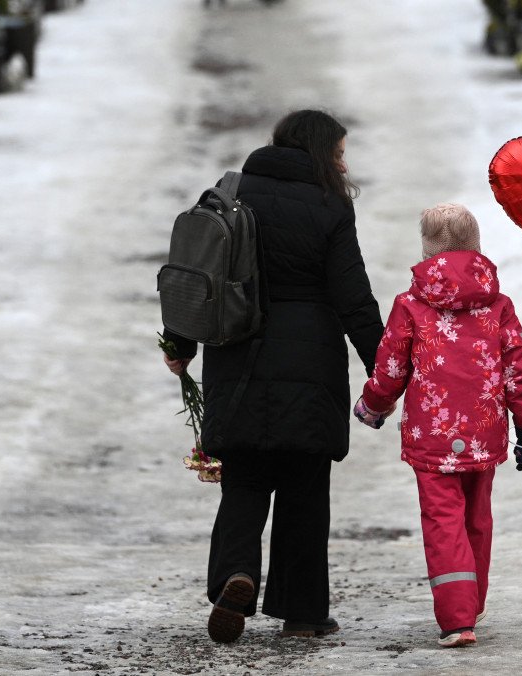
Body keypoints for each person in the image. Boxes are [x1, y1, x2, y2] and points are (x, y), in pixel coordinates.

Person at [162, 110, 384, 643]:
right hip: (310, 369)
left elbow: (198, 275)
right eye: (338, 153)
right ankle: (304, 613)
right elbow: (353, 298)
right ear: (316, 153)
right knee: (304, 488)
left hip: (237, 359)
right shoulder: (330, 206)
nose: (343, 163)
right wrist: (387, 370)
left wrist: (180, 343)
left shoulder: (230, 193)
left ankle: (235, 576)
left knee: (244, 482)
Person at [352, 203, 522, 648]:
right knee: (477, 517)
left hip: (431, 436)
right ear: (476, 247)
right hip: (484, 432)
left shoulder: (409, 306)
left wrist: (372, 407)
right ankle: (471, 602)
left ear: (427, 249)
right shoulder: (499, 306)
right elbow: (518, 373)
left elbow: (391, 369)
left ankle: (458, 618)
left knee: (443, 521)